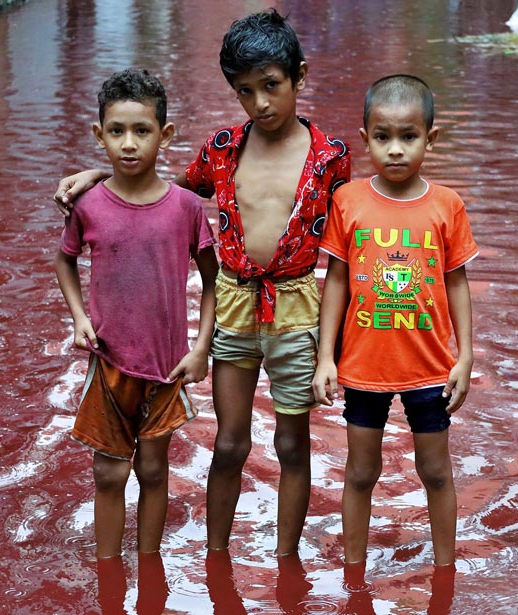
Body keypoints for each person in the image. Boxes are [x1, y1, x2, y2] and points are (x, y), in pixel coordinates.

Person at [53, 9, 351, 556]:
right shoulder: (222, 149)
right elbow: (157, 188)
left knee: (291, 444)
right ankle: (217, 560)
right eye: (245, 91)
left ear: (299, 78)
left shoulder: (331, 158)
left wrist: (336, 349)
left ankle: (285, 561)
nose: (261, 103)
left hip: (298, 308)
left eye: (272, 86)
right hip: (236, 302)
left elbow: (346, 252)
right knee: (231, 442)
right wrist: (97, 175)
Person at [312, 74, 478, 567]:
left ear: (431, 137)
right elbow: (336, 281)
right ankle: (353, 574)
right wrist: (326, 357)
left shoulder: (447, 205)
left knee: (436, 472)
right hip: (364, 366)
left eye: (409, 137)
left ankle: (445, 572)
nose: (396, 150)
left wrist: (465, 356)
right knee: (361, 473)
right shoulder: (348, 201)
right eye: (382, 137)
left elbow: (457, 283)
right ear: (365, 139)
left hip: (431, 367)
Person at [54, 68, 219, 559]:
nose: (129, 144)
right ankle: (108, 573)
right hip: (108, 361)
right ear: (98, 135)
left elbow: (213, 279)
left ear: (165, 136)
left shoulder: (187, 208)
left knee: (152, 470)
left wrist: (201, 348)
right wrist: (79, 317)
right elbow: (64, 259)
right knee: (108, 473)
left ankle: (149, 573)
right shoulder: (87, 205)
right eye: (117, 131)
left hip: (166, 364)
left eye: (142, 131)